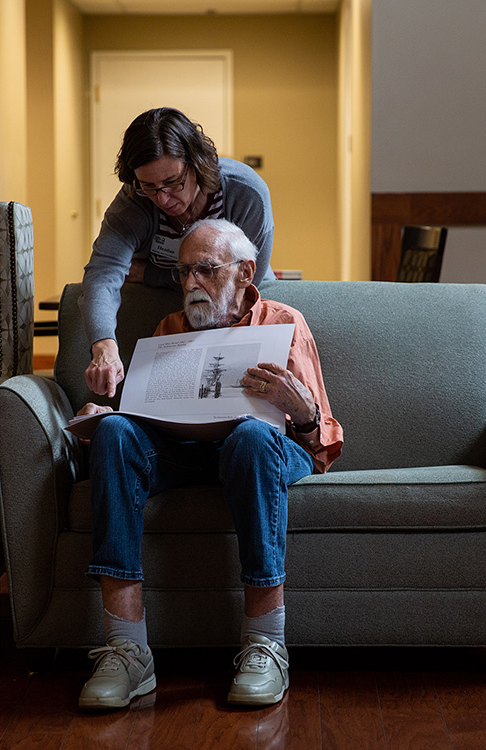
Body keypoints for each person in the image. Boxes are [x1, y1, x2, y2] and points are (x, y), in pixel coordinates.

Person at [76, 219, 343, 710]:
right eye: (183, 273)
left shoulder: (284, 322)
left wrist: (300, 409)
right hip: (183, 451)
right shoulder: (170, 329)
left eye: (205, 270)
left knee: (250, 436)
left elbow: (320, 440)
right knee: (114, 431)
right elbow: (147, 421)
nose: (191, 284)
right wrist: (109, 416)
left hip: (261, 450)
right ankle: (127, 649)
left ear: (245, 271)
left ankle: (265, 643)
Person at [80, 107, 276, 399]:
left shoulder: (245, 193)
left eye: (173, 182)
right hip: (174, 320)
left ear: (196, 163)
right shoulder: (134, 202)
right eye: (149, 186)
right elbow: (102, 276)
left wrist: (151, 274)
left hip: (235, 309)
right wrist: (104, 344)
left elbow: (237, 288)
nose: (162, 198)